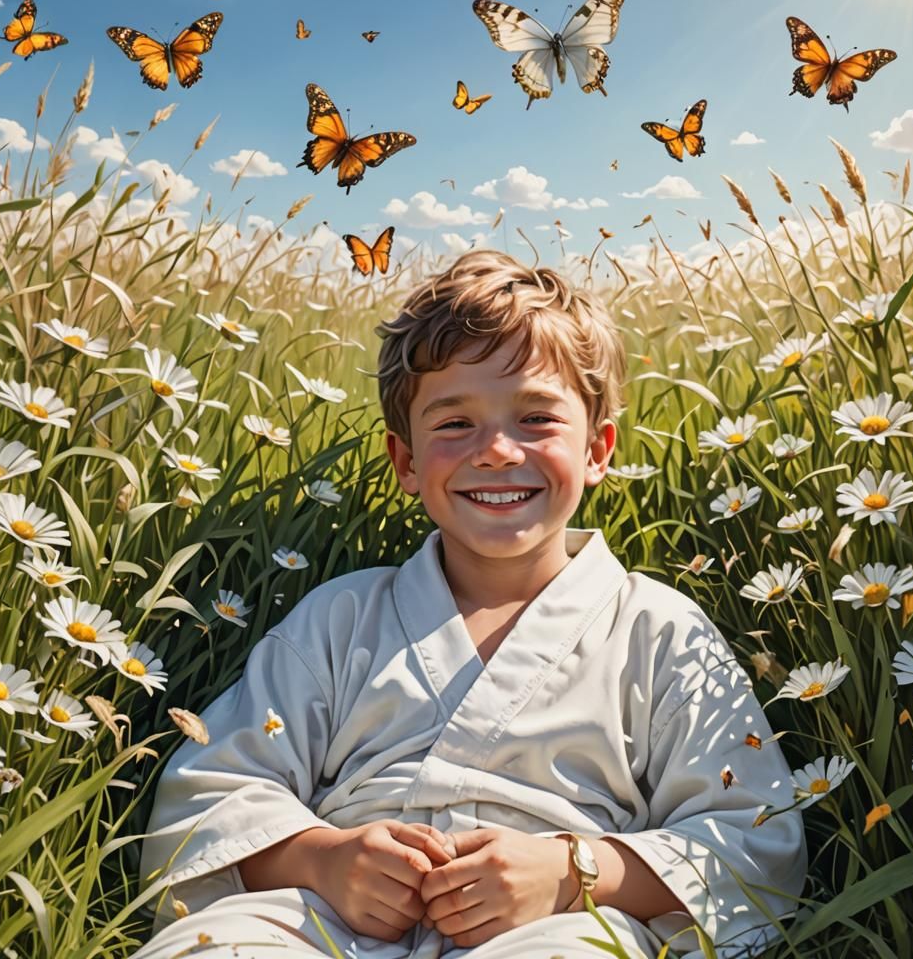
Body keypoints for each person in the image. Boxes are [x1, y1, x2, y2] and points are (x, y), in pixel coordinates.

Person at [134, 251, 807, 959]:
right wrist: (323, 859)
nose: (494, 450)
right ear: (406, 461)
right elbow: (212, 792)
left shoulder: (660, 631)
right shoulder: (340, 618)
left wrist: (573, 872)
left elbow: (753, 835)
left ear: (598, 449)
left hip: (553, 926)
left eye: (537, 418)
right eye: (454, 423)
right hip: (326, 920)